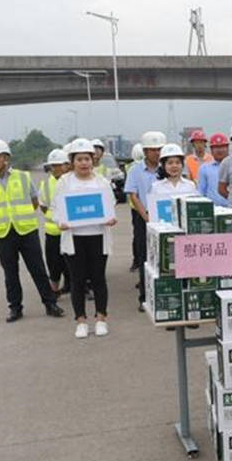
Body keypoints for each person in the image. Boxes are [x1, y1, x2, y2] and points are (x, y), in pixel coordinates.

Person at [0, 139, 66, 323]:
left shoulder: (23, 177)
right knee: (10, 273)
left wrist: (19, 217)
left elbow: (34, 201)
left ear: (6, 157)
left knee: (38, 269)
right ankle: (15, 308)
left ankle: (50, 303)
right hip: (3, 233)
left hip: (26, 231)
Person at [53, 138, 117, 338]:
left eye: (87, 159)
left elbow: (111, 204)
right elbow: (56, 208)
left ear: (93, 160)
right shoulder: (64, 182)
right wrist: (60, 221)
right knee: (77, 280)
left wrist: (111, 218)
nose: (84, 163)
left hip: (98, 236)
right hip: (74, 238)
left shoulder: (102, 182)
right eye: (79, 159)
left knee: (98, 278)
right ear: (72, 161)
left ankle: (101, 318)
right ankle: (80, 320)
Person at [125, 130, 166, 312]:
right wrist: (147, 218)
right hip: (144, 217)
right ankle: (145, 297)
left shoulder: (168, 167)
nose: (157, 153)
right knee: (145, 257)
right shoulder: (135, 170)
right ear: (145, 151)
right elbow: (133, 195)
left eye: (160, 149)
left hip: (167, 216)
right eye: (153, 150)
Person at [38, 148, 71, 297]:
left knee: (72, 263)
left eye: (59, 165)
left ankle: (76, 287)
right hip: (53, 231)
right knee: (54, 263)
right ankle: (55, 290)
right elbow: (43, 206)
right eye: (54, 165)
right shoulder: (45, 185)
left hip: (71, 231)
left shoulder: (72, 182)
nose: (56, 168)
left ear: (67, 165)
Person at [198, 133, 229, 207]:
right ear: (211, 150)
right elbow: (201, 192)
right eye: (216, 147)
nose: (219, 150)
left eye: (222, 147)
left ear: (227, 148)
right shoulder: (204, 168)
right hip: (213, 209)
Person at [127, 142, 145, 271]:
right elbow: (132, 193)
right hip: (137, 209)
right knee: (139, 238)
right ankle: (137, 261)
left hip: (148, 208)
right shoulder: (132, 169)